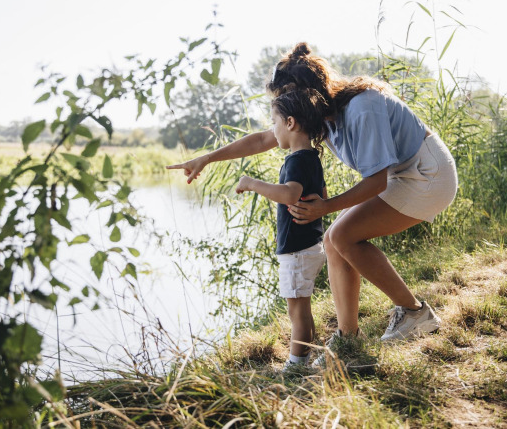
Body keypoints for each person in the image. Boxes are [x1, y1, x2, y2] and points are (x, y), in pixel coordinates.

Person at [167, 42, 457, 356]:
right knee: (336, 240)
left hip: (427, 172)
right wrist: (207, 158)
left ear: (307, 90)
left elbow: (377, 181)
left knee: (341, 235)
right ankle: (348, 337)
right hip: (405, 173)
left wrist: (326, 206)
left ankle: (414, 314)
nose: (285, 106)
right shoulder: (319, 117)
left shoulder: (363, 106)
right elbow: (266, 138)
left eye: (286, 96)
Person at [234, 86, 329, 369]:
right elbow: (323, 196)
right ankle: (304, 358)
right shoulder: (311, 157)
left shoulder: (298, 160)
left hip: (298, 250)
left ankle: (296, 366)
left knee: (297, 312)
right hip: (308, 245)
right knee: (301, 309)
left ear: (290, 123)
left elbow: (289, 194)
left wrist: (251, 183)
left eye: (274, 122)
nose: (273, 130)